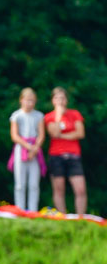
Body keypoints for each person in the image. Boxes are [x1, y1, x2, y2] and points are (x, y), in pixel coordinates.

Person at [44, 86, 87, 215]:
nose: (60, 101)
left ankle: (81, 217)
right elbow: (54, 133)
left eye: (62, 98)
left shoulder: (75, 114)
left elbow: (80, 133)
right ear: (53, 101)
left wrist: (62, 136)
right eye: (57, 98)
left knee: (80, 189)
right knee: (59, 189)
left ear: (66, 100)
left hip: (73, 156)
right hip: (56, 156)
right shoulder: (49, 117)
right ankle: (62, 218)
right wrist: (58, 115)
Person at [8, 88, 46, 212]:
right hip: (21, 148)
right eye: (27, 100)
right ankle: (20, 209)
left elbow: (41, 134)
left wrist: (35, 148)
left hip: (35, 150)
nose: (30, 103)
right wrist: (28, 146)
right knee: (20, 183)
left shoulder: (39, 115)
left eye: (32, 101)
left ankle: (33, 210)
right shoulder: (16, 115)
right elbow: (14, 136)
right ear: (21, 100)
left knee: (34, 183)